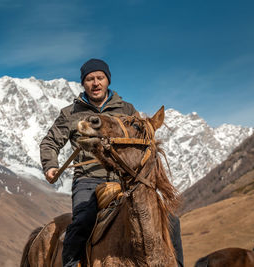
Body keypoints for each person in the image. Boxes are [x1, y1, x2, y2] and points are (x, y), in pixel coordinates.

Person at [40, 58, 184, 267]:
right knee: (82, 222)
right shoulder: (70, 113)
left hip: (123, 179)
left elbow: (142, 139)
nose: (95, 83)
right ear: (83, 83)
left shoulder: (126, 109)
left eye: (100, 78)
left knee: (171, 221)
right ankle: (71, 264)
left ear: (107, 80)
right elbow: (50, 142)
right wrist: (50, 165)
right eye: (90, 79)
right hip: (88, 179)